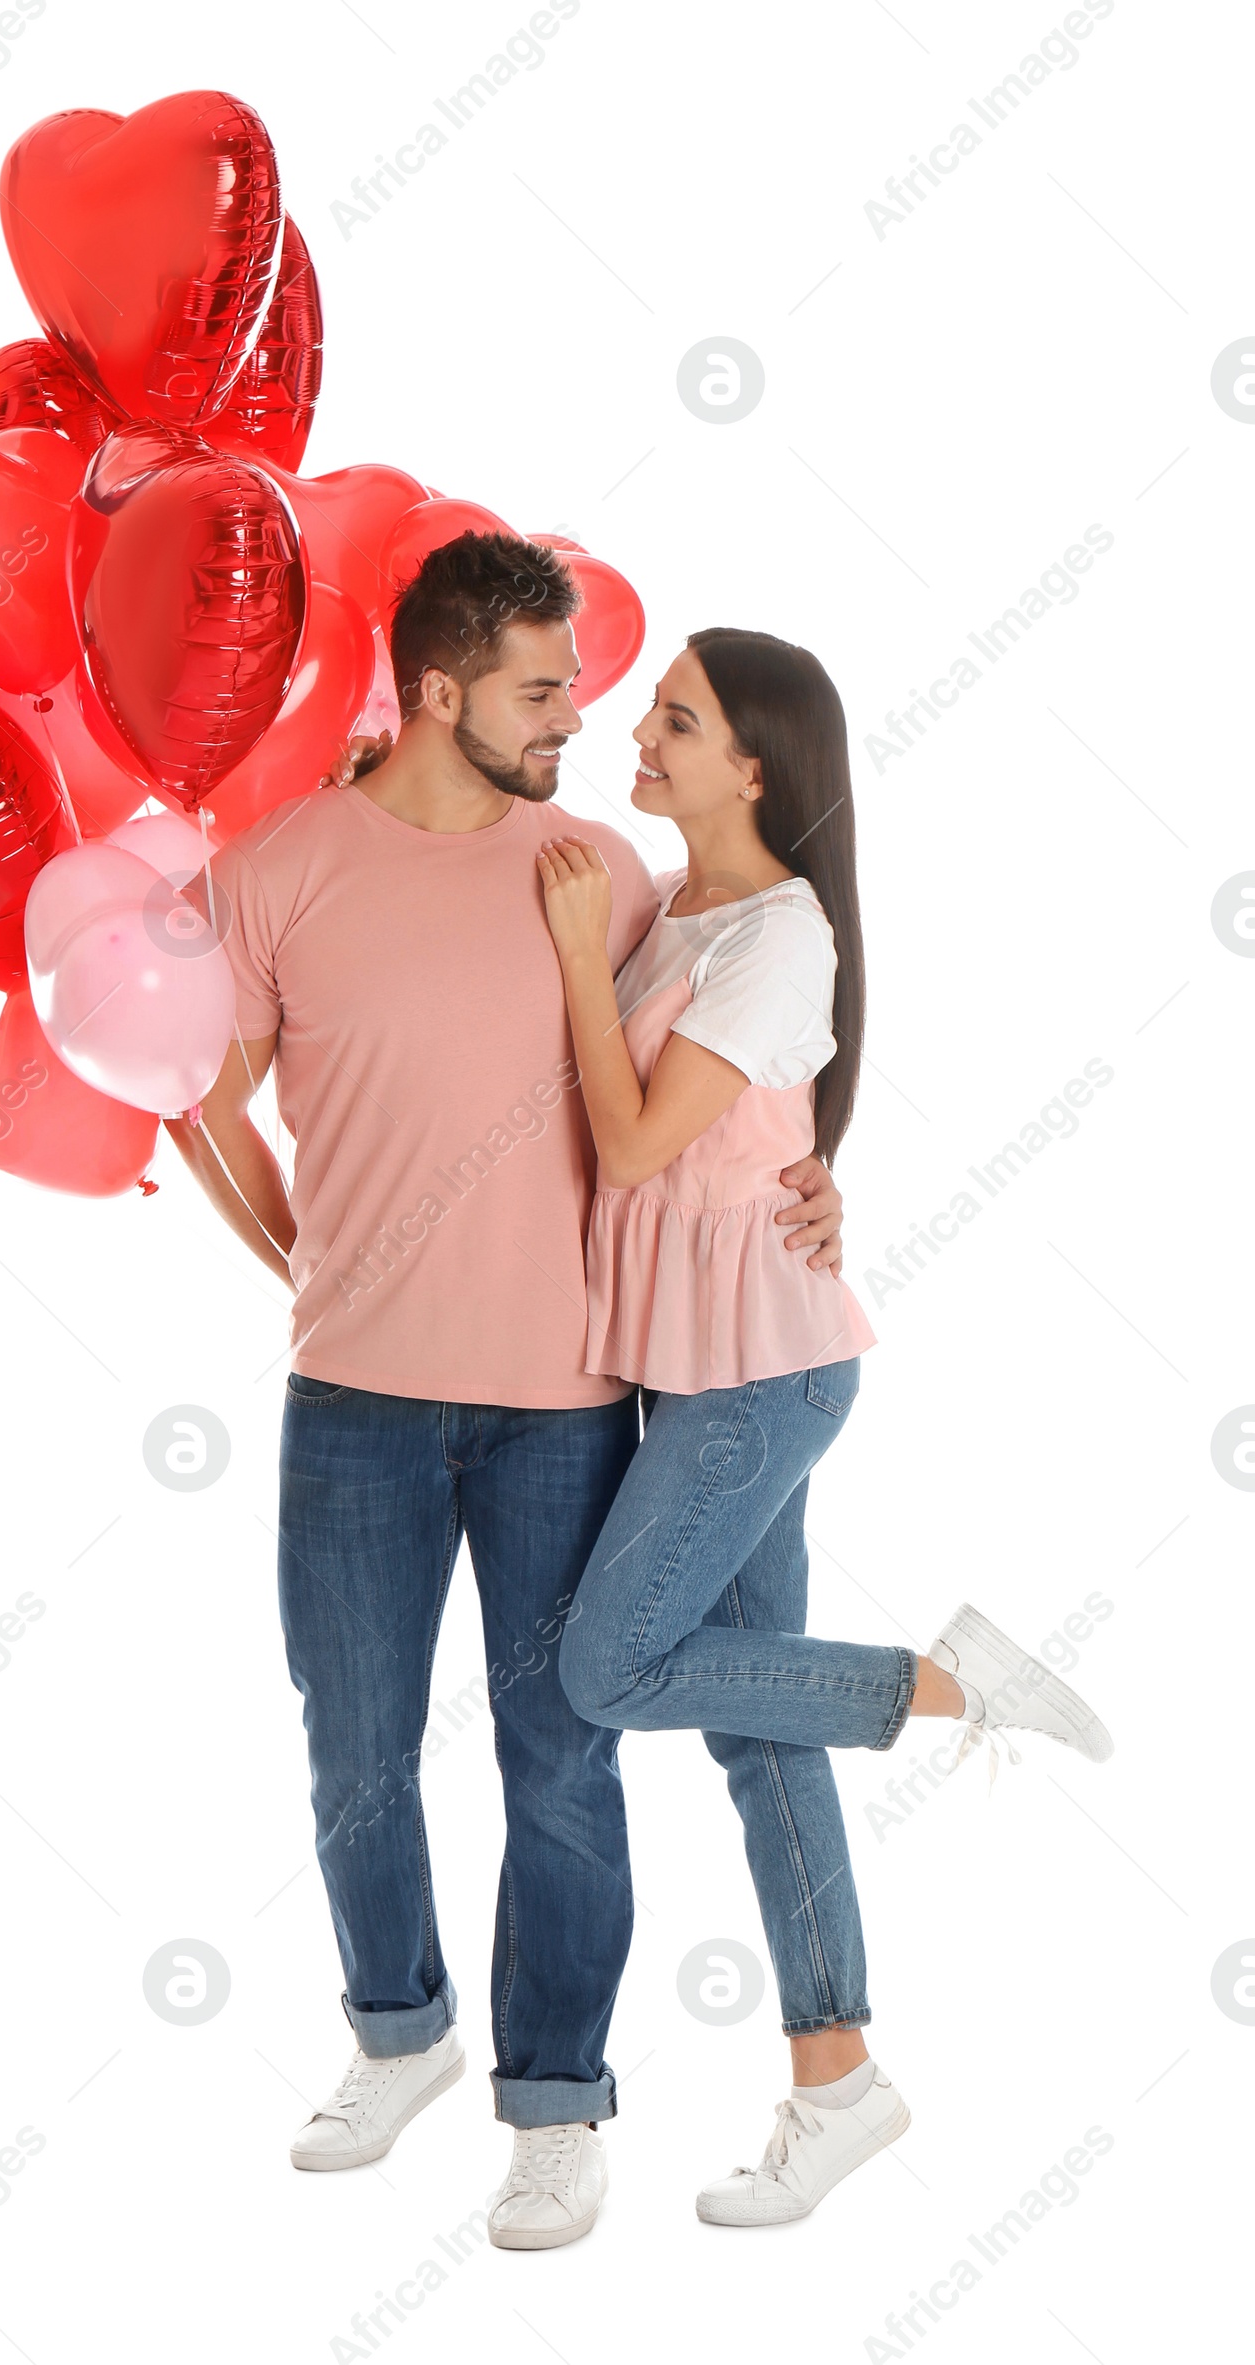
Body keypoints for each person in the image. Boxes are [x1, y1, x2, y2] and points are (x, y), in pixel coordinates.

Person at [167, 536, 847, 2250]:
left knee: (560, 1757)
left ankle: (557, 2105)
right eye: (544, 690)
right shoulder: (283, 869)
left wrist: (821, 1189)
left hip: (567, 1400)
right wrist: (296, 1261)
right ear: (440, 691)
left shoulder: (600, 868)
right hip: (356, 1405)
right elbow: (198, 1098)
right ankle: (395, 2037)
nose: (577, 716)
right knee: (357, 1750)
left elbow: (723, 1060)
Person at [535, 625, 1114, 2229]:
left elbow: (642, 1144)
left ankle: (952, 1685)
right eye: (649, 712)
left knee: (604, 1666)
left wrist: (583, 965)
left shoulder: (774, 936)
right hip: (697, 1364)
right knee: (755, 1732)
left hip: (758, 1379)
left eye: (677, 719)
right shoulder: (676, 912)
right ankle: (840, 2080)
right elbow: (729, 1140)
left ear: (756, 767)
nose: (638, 734)